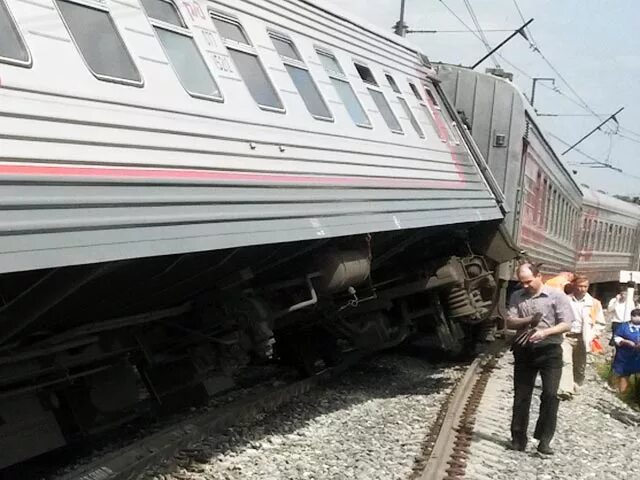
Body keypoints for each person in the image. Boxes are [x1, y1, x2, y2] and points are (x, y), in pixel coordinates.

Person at [507, 263, 572, 455]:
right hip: (525, 350)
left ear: (539, 276)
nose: (525, 286)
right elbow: (510, 320)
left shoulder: (557, 296)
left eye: (528, 282)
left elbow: (566, 324)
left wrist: (545, 332)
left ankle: (544, 440)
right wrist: (529, 321)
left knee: (551, 395)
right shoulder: (517, 296)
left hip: (550, 350)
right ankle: (518, 439)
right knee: (521, 396)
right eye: (522, 282)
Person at [557, 276, 605, 398]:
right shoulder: (565, 300)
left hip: (583, 337)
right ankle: (565, 390)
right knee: (565, 361)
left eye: (585, 286)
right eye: (580, 286)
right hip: (566, 336)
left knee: (580, 365)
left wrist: (593, 334)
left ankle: (576, 384)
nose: (582, 289)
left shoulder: (594, 303)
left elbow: (600, 322)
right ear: (574, 285)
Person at [612, 308, 640, 393]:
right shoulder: (624, 326)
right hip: (624, 356)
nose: (637, 318)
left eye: (638, 316)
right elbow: (616, 337)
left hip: (638, 356)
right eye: (634, 316)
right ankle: (622, 393)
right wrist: (625, 341)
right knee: (624, 374)